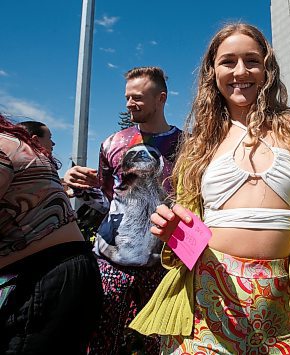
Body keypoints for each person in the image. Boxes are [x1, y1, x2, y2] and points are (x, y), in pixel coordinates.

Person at [130, 23, 290, 354]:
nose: (241, 71)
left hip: (279, 312)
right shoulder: (198, 145)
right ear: (213, 72)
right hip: (205, 306)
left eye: (252, 60)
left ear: (267, 67)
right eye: (228, 62)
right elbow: (189, 245)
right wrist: (174, 234)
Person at [63, 66, 183, 354]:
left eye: (138, 97)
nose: (130, 103)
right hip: (111, 262)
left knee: (161, 344)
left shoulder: (188, 146)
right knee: (102, 342)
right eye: (127, 97)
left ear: (161, 99)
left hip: (163, 265)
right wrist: (75, 185)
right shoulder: (112, 144)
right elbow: (108, 199)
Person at [0, 114, 103, 354]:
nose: (54, 145)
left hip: (46, 278)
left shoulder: (4, 149)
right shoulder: (14, 144)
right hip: (60, 274)